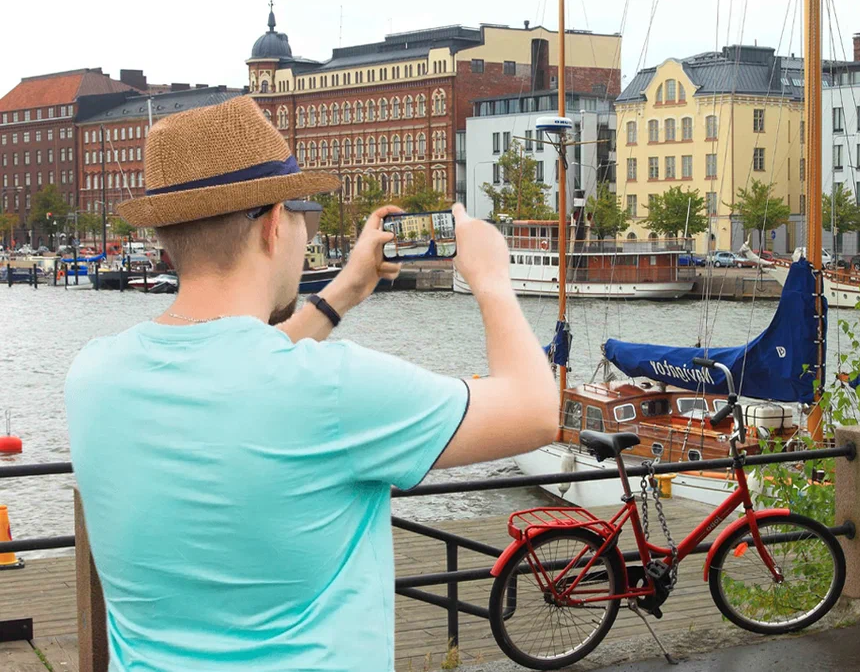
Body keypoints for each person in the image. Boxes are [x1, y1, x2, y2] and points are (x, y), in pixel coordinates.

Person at [65, 95, 558, 671]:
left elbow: (242, 369)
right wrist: (492, 278)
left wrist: (343, 291)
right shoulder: (335, 389)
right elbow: (535, 409)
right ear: (276, 224)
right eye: (302, 209)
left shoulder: (93, 376)